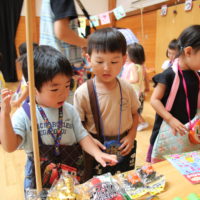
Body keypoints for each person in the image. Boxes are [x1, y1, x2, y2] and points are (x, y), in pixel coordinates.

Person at [0, 45, 117, 194]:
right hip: (39, 178)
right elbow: (9, 146)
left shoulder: (69, 110)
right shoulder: (25, 114)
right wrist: (4, 115)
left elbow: (82, 136)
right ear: (33, 89)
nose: (63, 94)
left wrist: (97, 153)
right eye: (55, 89)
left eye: (68, 85)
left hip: (70, 173)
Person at [74, 28, 140, 179]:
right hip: (97, 148)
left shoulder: (127, 88)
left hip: (124, 146)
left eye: (114, 61)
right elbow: (78, 125)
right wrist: (89, 141)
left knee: (124, 181)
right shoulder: (83, 92)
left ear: (124, 60)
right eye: (99, 61)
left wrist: (131, 135)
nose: (107, 68)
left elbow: (135, 113)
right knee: (97, 186)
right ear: (88, 59)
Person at [147, 25, 200, 162]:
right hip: (166, 131)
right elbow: (154, 100)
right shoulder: (169, 74)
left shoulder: (196, 75)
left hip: (186, 132)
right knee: (161, 167)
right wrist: (170, 119)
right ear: (188, 52)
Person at [121, 43, 149, 131]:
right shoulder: (141, 66)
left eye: (127, 54)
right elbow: (145, 78)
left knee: (133, 110)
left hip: (134, 92)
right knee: (134, 109)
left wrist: (122, 80)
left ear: (132, 56)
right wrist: (147, 87)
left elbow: (135, 79)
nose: (125, 55)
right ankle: (137, 122)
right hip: (139, 91)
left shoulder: (132, 66)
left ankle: (143, 123)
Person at [11, 42, 39, 108]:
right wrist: (17, 92)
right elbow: (23, 81)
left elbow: (29, 89)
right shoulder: (28, 67)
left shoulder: (32, 70)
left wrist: (18, 101)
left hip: (30, 100)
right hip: (26, 98)